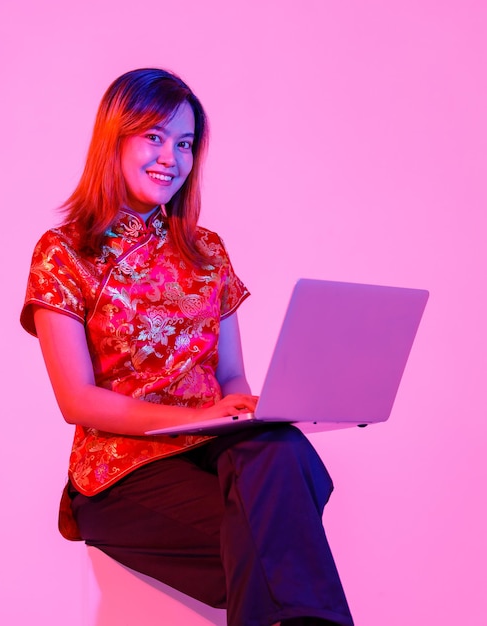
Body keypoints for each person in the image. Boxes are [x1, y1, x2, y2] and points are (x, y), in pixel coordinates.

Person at [20, 68, 354, 626]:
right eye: (154, 137)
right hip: (121, 472)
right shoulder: (64, 252)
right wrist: (194, 417)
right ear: (116, 138)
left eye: (185, 143)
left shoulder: (207, 251)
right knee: (273, 540)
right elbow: (76, 400)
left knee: (284, 448)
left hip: (214, 453)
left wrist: (244, 410)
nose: (170, 158)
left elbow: (232, 377)